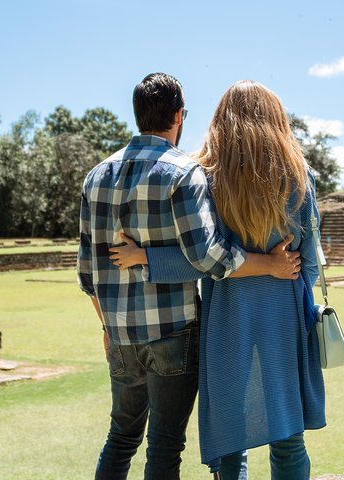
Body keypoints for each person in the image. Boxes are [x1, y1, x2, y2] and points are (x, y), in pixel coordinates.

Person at [77, 73, 300, 480]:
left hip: (120, 335)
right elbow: (209, 257)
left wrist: (107, 327)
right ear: (179, 115)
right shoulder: (183, 172)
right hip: (173, 330)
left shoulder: (96, 176)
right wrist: (268, 264)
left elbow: (88, 273)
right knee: (164, 444)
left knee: (120, 438)